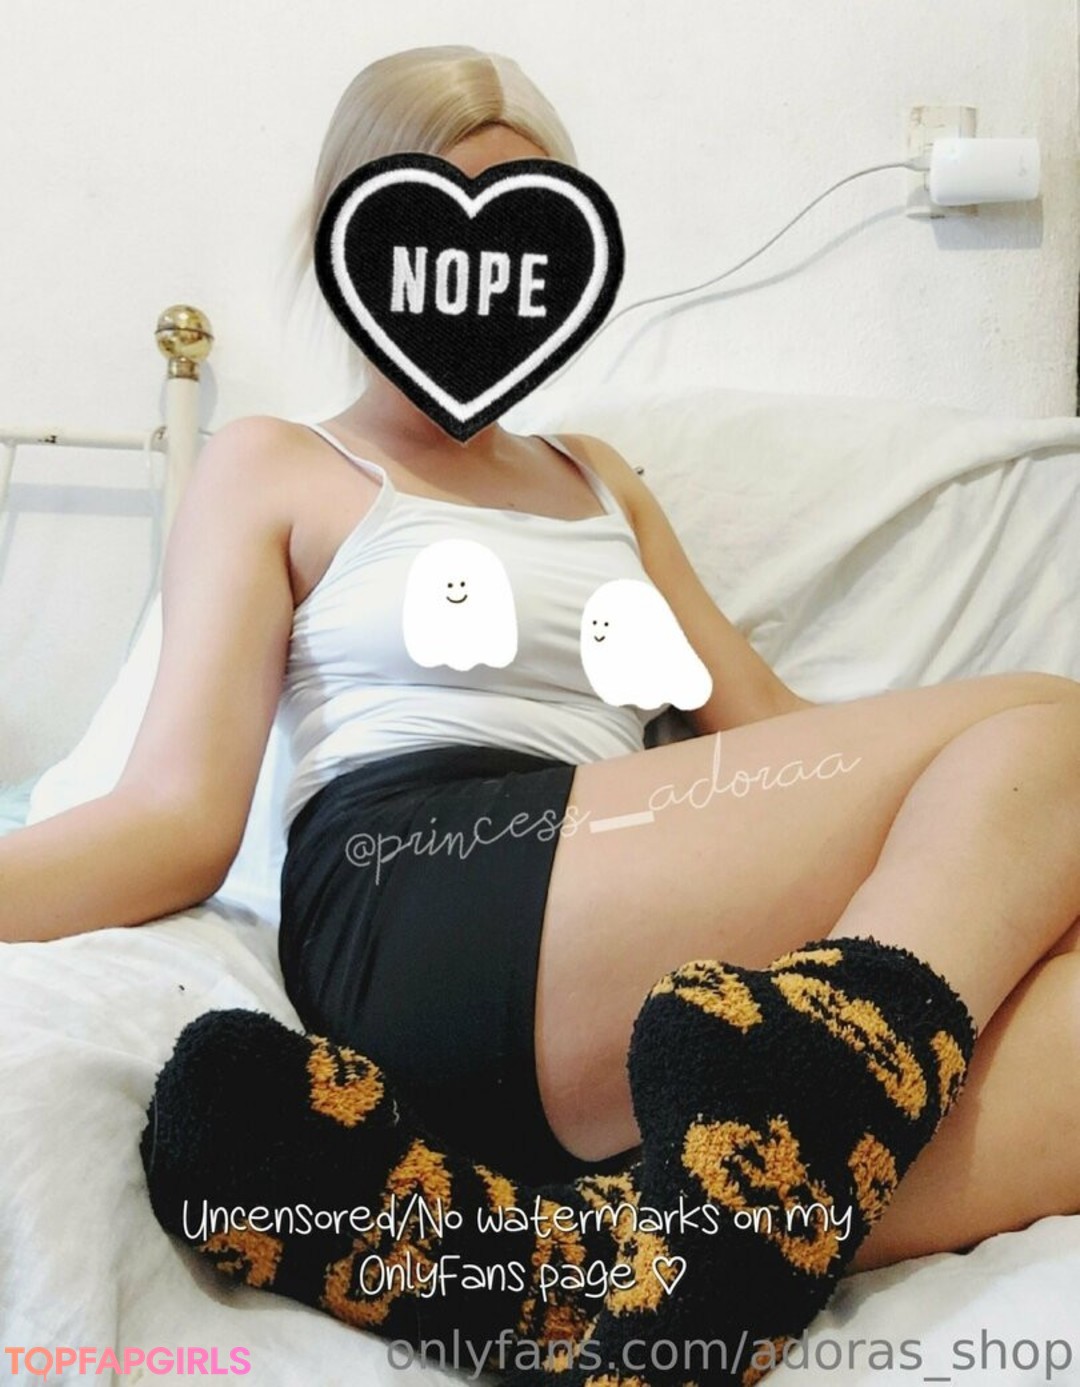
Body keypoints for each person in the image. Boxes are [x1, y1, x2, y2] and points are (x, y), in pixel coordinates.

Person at [4, 43, 1080, 1387]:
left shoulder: (601, 481)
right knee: (1059, 733)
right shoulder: (278, 463)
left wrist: (991, 831)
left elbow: (764, 732)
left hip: (602, 929)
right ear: (354, 243)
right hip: (418, 882)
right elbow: (174, 815)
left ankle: (591, 1264)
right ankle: (787, 1112)